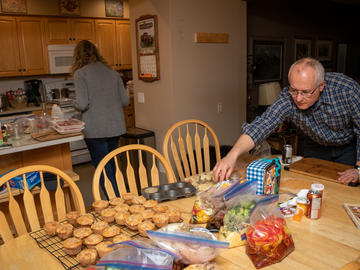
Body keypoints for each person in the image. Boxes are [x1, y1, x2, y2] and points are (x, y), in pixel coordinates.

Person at [214, 57, 360, 185]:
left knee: (345, 187)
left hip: (346, 149)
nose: (298, 98)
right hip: (314, 147)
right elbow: (261, 125)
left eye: (306, 92)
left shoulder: (346, 90)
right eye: (294, 90)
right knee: (312, 189)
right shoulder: (287, 97)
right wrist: (231, 156)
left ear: (321, 86)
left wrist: (359, 169)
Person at [72, 40, 130, 198]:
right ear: (97, 53)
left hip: (96, 129)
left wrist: (74, 103)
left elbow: (82, 104)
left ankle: (116, 202)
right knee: (112, 165)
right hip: (115, 128)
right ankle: (125, 198)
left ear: (77, 56)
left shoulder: (81, 74)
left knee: (103, 169)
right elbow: (126, 101)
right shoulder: (112, 72)